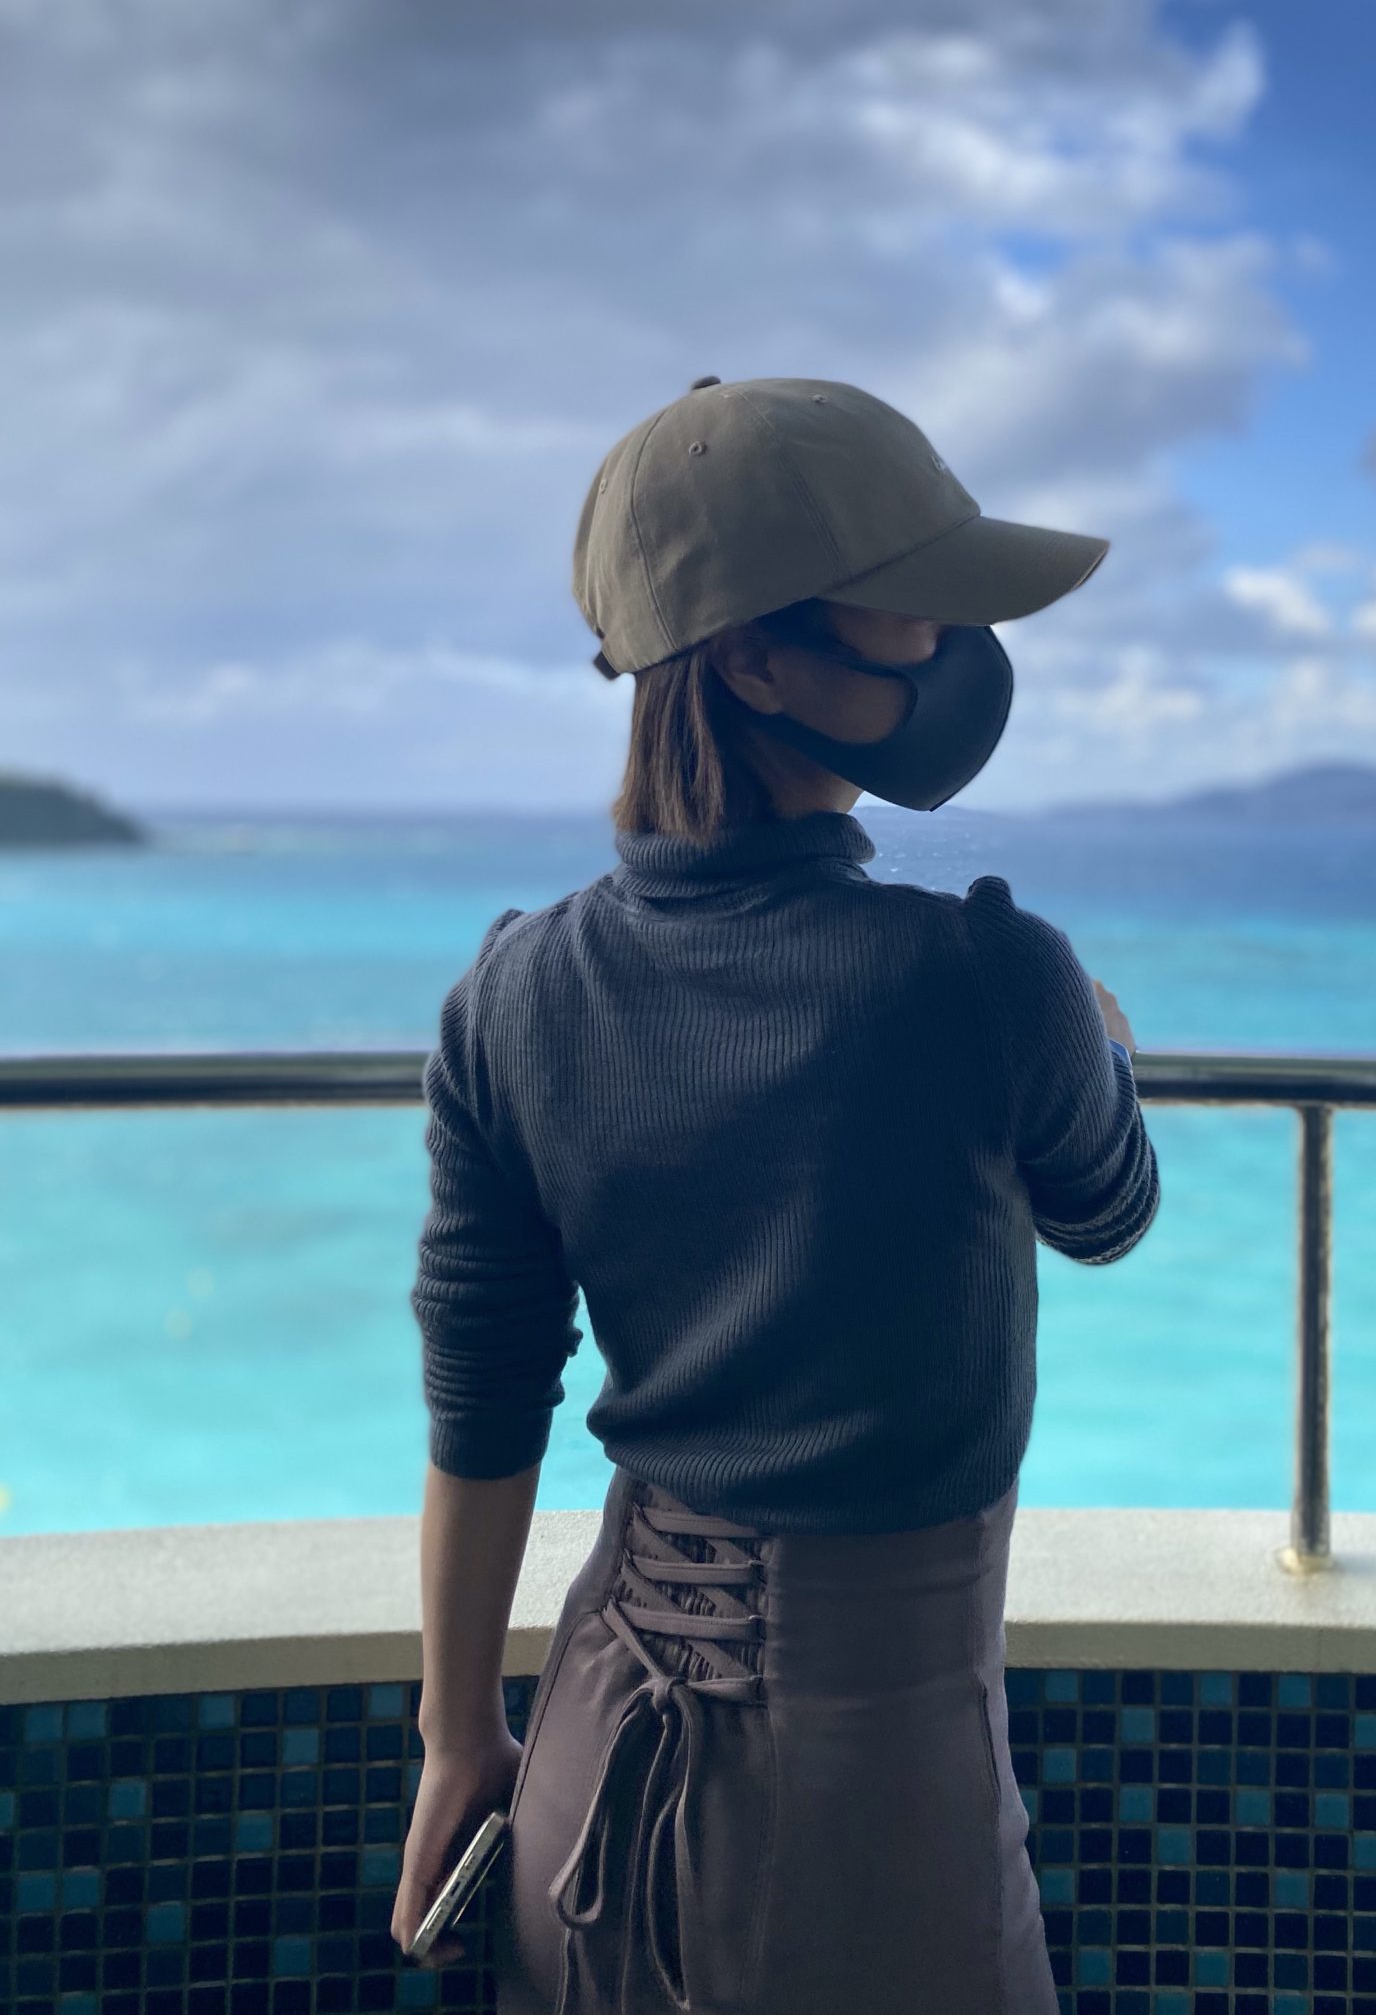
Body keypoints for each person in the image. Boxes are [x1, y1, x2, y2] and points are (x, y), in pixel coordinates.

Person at [392, 374, 1160, 2014]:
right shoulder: (987, 977)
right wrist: (1095, 1036)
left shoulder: (512, 995)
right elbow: (1107, 1208)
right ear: (754, 659)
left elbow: (483, 1396)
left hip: (586, 1793)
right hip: (881, 1818)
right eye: (918, 607)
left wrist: (459, 1738)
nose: (955, 648)